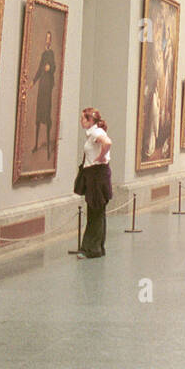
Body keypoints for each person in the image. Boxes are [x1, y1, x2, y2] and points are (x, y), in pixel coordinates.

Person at [76, 108, 113, 258]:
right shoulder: (94, 132)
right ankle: (97, 247)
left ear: (90, 120)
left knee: (95, 213)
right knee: (98, 212)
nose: (81, 121)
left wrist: (100, 157)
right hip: (97, 175)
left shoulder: (96, 133)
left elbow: (108, 143)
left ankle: (91, 249)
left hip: (97, 176)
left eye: (83, 119)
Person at [30, 31, 56, 154]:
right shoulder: (43, 54)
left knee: (46, 114)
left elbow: (54, 67)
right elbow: (39, 69)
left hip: (47, 88)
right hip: (41, 87)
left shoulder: (51, 54)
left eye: (49, 39)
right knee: (39, 115)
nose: (47, 41)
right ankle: (35, 144)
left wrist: (50, 68)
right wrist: (33, 81)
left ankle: (48, 150)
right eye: (46, 39)